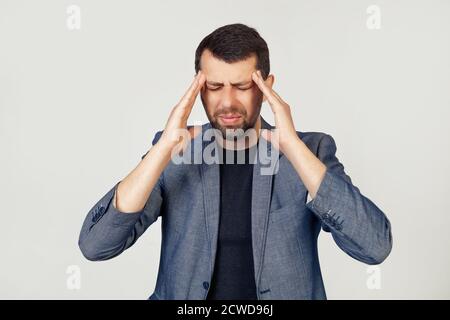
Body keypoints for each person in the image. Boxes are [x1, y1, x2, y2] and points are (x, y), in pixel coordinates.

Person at [78, 23, 392, 300]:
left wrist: (292, 147)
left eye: (242, 87)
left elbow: (375, 246)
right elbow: (96, 245)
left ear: (267, 86)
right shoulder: (176, 151)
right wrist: (162, 150)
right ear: (198, 87)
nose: (227, 102)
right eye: (214, 87)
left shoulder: (311, 150)